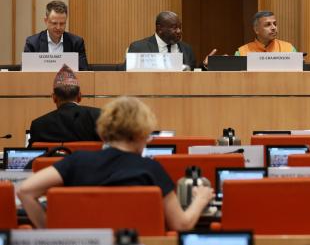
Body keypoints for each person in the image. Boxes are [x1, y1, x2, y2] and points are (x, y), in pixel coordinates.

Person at [17, 96, 214, 230]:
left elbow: (25, 191)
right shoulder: (150, 169)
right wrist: (201, 199)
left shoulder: (76, 161)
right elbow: (182, 225)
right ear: (141, 133)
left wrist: (52, 234)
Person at [28, 65, 101, 146]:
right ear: (80, 96)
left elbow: (31, 156)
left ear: (54, 98)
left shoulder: (38, 125)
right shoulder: (98, 117)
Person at [24, 0, 89, 71]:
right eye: (54, 23)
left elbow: (84, 73)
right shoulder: (32, 43)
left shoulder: (76, 43)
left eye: (62, 23)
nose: (58, 27)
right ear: (46, 21)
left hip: (68, 82)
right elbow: (25, 74)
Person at [128, 11, 197, 70]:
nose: (179, 31)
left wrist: (205, 65)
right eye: (174, 27)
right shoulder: (139, 48)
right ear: (160, 28)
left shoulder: (187, 49)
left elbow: (194, 74)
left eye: (180, 27)